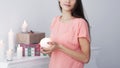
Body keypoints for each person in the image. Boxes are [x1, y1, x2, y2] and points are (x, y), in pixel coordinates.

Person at [41, 0, 91, 68]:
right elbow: (54, 55)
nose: (68, 1)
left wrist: (60, 47)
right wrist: (48, 50)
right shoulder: (55, 20)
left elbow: (85, 58)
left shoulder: (80, 23)